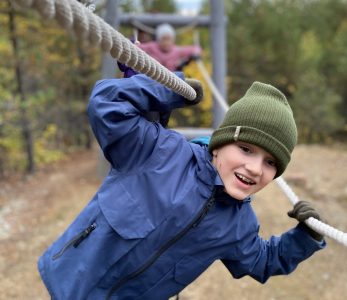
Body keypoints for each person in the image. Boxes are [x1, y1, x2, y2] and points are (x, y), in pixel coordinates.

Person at [37, 73, 326, 300]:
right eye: (246, 149)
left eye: (270, 163)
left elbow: (263, 260)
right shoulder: (159, 150)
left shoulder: (238, 225)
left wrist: (305, 238)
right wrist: (167, 90)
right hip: (71, 281)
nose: (255, 168)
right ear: (220, 143)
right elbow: (107, 105)